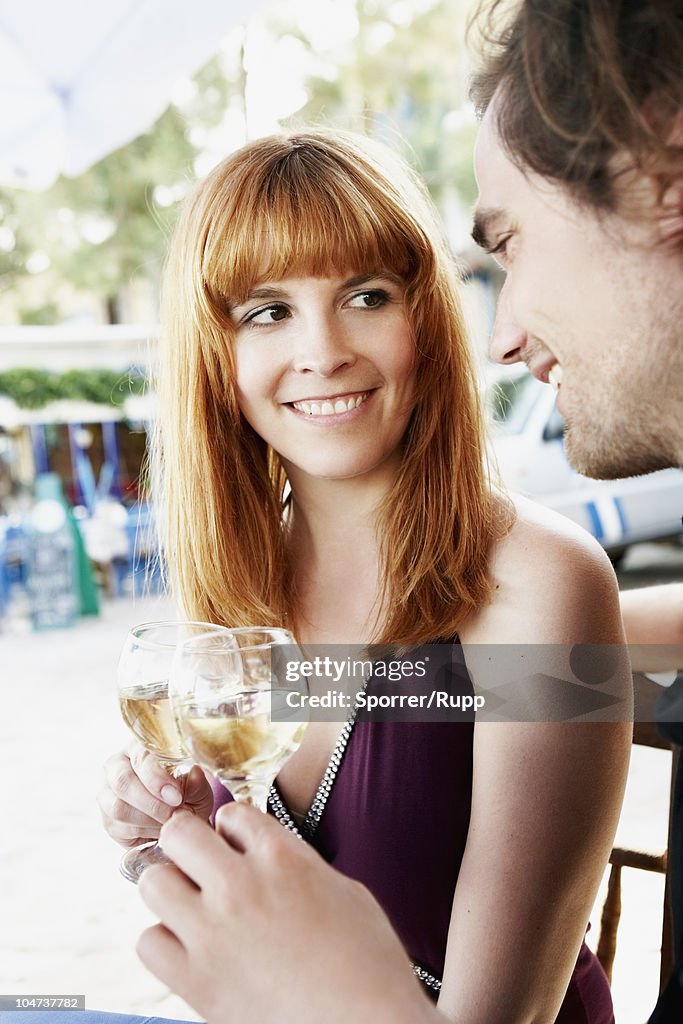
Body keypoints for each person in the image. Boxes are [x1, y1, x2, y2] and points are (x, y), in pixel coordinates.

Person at [90, 127, 634, 1024]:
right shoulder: (239, 586)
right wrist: (169, 834)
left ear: (424, 318)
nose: (324, 350)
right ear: (216, 358)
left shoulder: (540, 585)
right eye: (267, 311)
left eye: (365, 295)